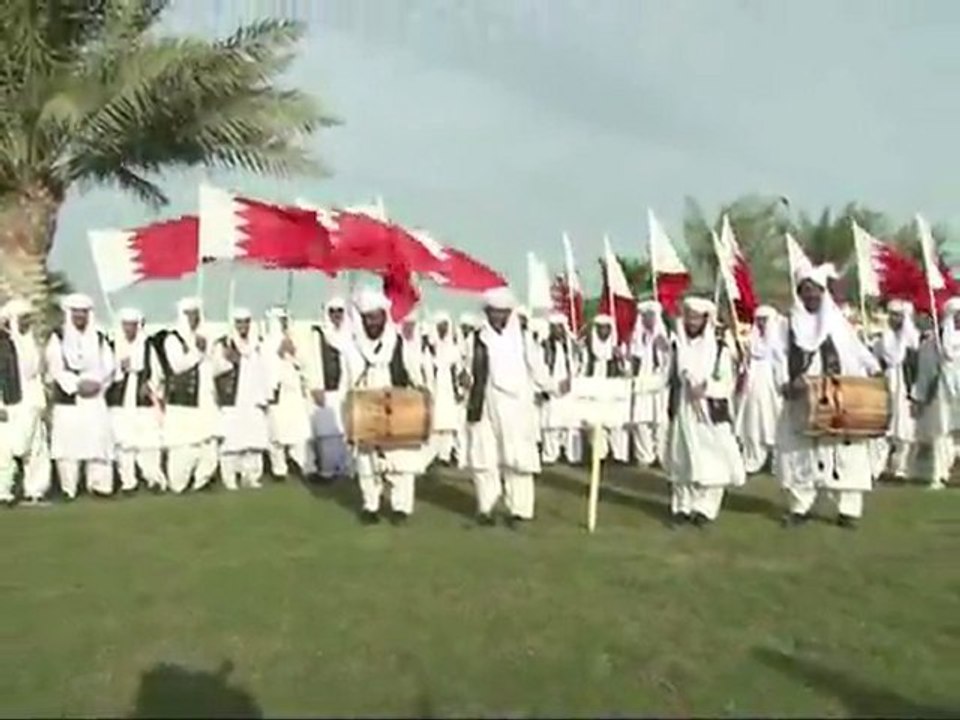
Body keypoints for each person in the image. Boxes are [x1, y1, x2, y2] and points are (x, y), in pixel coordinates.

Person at [776, 266, 881, 528]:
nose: (810, 295)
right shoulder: (787, 325)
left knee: (844, 453)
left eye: (815, 290)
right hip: (801, 398)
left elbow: (858, 351)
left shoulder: (837, 324)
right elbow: (776, 357)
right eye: (805, 290)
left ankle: (848, 510)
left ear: (823, 293)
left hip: (839, 396)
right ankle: (800, 507)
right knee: (801, 451)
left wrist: (875, 369)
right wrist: (785, 383)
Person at [460, 287, 568, 526]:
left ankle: (519, 510)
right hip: (484, 404)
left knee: (518, 459)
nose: (498, 317)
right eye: (493, 312)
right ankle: (486, 507)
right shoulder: (474, 340)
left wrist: (555, 387)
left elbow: (538, 370)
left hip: (516, 407)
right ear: (487, 313)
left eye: (502, 312)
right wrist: (464, 379)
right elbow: (466, 369)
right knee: (484, 458)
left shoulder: (524, 339)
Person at [344, 288, 429, 524]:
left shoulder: (399, 343)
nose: (372, 323)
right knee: (367, 460)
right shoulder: (353, 347)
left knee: (400, 460)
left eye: (376, 317)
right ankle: (370, 505)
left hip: (397, 406)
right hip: (366, 407)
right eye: (367, 318)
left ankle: (400, 507)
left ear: (384, 316)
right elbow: (347, 380)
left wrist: (421, 390)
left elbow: (414, 373)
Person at [666, 297, 745, 526]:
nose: (692, 322)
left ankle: (705, 509)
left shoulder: (720, 350)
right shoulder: (678, 346)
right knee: (682, 458)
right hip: (684, 409)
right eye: (689, 317)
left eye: (696, 318)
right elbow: (667, 375)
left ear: (705, 320)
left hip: (711, 412)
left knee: (714, 459)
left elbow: (728, 383)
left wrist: (706, 388)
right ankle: (682, 506)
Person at [46, 293, 116, 498]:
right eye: (76, 312)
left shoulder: (99, 337)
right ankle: (69, 488)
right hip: (69, 399)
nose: (80, 316)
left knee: (98, 440)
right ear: (69, 314)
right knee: (68, 444)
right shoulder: (58, 337)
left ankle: (100, 485)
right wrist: (77, 385)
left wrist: (96, 384)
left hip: (95, 396)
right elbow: (56, 367)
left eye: (83, 312)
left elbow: (109, 366)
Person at [155, 297, 220, 494]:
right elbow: (178, 366)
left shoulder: (206, 338)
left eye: (196, 314)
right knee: (183, 446)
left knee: (209, 443)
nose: (193, 318)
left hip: (205, 400)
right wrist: (198, 352)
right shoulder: (173, 339)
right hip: (183, 404)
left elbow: (214, 367)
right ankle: (179, 484)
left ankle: (202, 481)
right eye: (189, 314)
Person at [107, 307, 167, 493]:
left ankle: (153, 479)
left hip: (142, 401)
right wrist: (119, 367)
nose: (129, 329)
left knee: (148, 440)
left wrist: (150, 385)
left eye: (133, 325)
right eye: (126, 325)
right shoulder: (112, 346)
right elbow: (105, 372)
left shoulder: (147, 346)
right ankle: (128, 482)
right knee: (122, 442)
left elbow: (157, 373)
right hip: (119, 401)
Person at [213, 308, 270, 490]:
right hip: (232, 399)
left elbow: (264, 369)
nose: (243, 326)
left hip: (253, 398)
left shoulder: (258, 344)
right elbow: (215, 369)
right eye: (239, 322)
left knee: (253, 441)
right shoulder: (223, 344)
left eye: (246, 322)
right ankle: (229, 478)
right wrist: (229, 361)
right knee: (231, 442)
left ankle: (251, 476)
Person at [0, 298, 50, 505]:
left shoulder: (30, 342)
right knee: (5, 448)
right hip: (9, 404)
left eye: (28, 318)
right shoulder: (3, 345)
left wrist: (41, 403)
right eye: (22, 318)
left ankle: (35, 490)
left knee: (36, 448)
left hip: (32, 402)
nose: (27, 322)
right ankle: (3, 491)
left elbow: (36, 375)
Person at [913, 297, 960, 489]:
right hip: (942, 393)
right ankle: (939, 474)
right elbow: (925, 371)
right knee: (941, 433)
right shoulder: (934, 343)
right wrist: (920, 396)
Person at [306, 297, 352, 482]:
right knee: (327, 433)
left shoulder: (351, 335)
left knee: (347, 430)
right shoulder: (318, 334)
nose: (336, 315)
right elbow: (310, 360)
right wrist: (314, 386)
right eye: (332, 311)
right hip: (325, 389)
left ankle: (346, 469)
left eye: (340, 311)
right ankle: (327, 471)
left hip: (346, 388)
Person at [734, 306, 786, 473]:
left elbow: (781, 365)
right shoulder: (751, 340)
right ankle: (753, 458)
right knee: (752, 424)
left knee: (773, 423)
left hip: (771, 390)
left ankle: (776, 462)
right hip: (751, 388)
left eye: (765, 320)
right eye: (759, 320)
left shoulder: (778, 342)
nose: (762, 323)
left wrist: (782, 383)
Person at [872, 300, 919, 480]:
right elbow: (875, 362)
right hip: (886, 387)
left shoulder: (912, 342)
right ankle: (877, 468)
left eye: (898, 315)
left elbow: (916, 367)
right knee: (883, 429)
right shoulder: (882, 341)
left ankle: (900, 469)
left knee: (905, 431)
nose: (894, 319)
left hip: (905, 389)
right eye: (891, 315)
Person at [263, 307, 311, 478]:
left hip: (293, 393)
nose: (282, 324)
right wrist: (278, 354)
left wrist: (293, 352)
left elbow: (304, 364)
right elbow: (266, 368)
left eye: (284, 320)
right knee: (275, 433)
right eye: (280, 320)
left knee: (298, 431)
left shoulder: (295, 340)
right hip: (276, 393)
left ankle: (303, 465)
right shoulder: (266, 344)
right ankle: (279, 469)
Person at [629, 300, 671, 467]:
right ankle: (645, 456)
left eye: (652, 316)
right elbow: (632, 359)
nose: (649, 319)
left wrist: (666, 348)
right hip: (642, 383)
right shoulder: (637, 338)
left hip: (659, 383)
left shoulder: (666, 336)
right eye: (645, 316)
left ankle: (663, 456)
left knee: (660, 422)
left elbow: (672, 360)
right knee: (641, 420)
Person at [583, 314, 630, 462]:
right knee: (595, 424)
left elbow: (627, 372)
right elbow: (582, 369)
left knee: (616, 425)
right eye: (600, 328)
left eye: (606, 328)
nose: (603, 331)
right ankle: (600, 455)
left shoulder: (618, 349)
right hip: (594, 391)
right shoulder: (588, 349)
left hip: (613, 391)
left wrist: (621, 358)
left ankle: (619, 455)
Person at [538, 313, 582, 465]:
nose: (557, 331)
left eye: (560, 327)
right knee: (551, 424)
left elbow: (579, 364)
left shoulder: (572, 346)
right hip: (551, 388)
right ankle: (550, 454)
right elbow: (540, 368)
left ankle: (573, 455)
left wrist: (571, 380)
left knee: (571, 425)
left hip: (570, 389)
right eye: (554, 328)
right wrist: (552, 387)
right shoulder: (543, 346)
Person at [425, 311, 462, 465]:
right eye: (440, 325)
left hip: (448, 388)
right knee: (434, 422)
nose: (443, 328)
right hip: (433, 386)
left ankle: (445, 455)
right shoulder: (429, 348)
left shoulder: (453, 348)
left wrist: (458, 389)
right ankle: (431, 455)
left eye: (445, 325)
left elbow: (456, 369)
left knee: (448, 423)